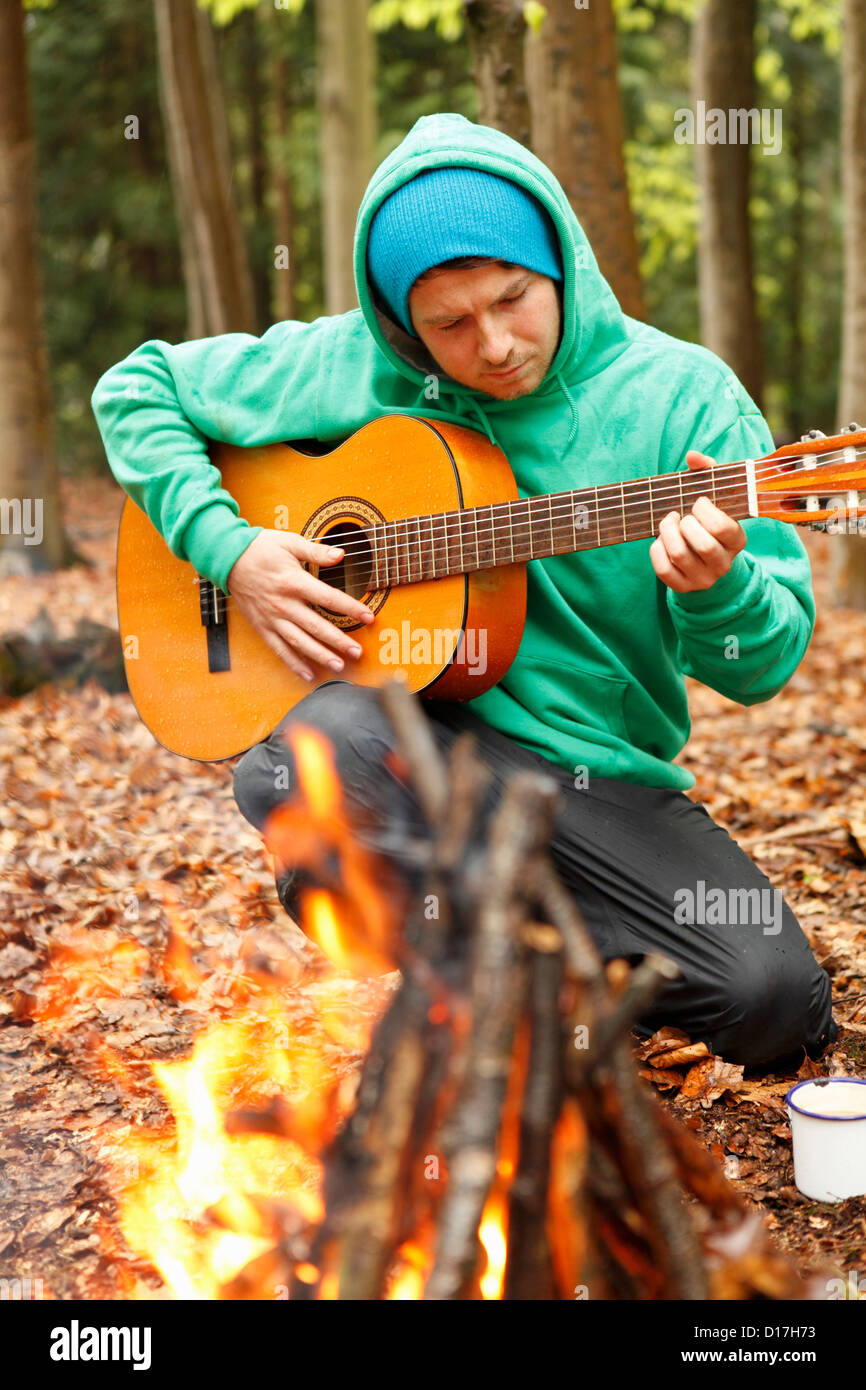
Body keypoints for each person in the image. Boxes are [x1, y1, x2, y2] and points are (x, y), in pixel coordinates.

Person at [91, 112, 836, 1068]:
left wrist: (717, 588)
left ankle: (550, 951)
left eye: (513, 299)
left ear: (559, 264)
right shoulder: (351, 364)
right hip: (420, 751)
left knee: (770, 1000)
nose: (492, 346)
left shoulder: (683, 398)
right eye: (449, 323)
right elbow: (135, 387)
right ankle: (492, 984)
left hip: (597, 781)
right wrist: (231, 551)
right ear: (402, 324)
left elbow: (765, 665)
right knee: (304, 757)